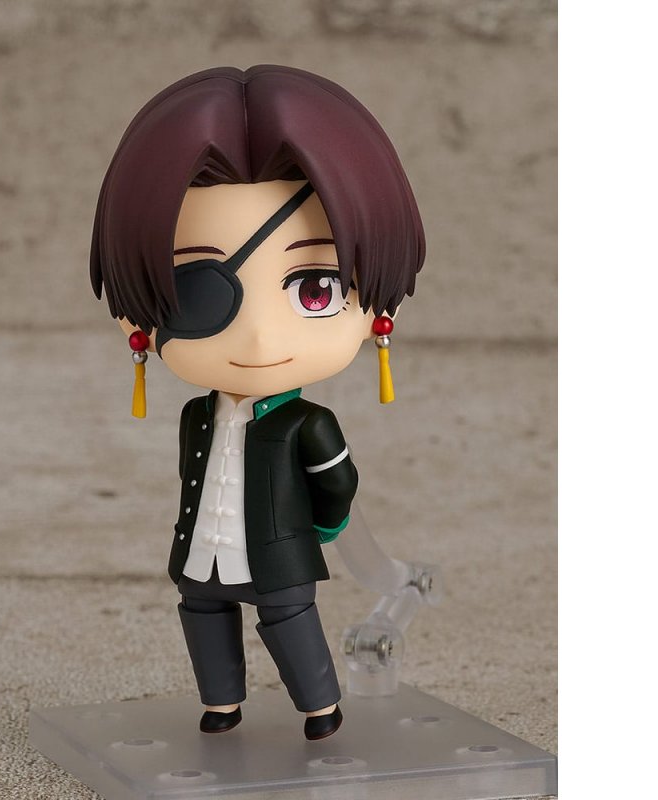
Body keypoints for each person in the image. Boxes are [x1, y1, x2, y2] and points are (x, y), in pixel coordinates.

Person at [90, 65, 425, 740]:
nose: (260, 337)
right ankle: (221, 703)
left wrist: (322, 530)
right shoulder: (196, 416)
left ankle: (320, 707)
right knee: (203, 614)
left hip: (277, 551)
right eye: (201, 293)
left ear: (375, 309)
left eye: (315, 289)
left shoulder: (307, 422)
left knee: (288, 618)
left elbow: (337, 484)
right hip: (202, 551)